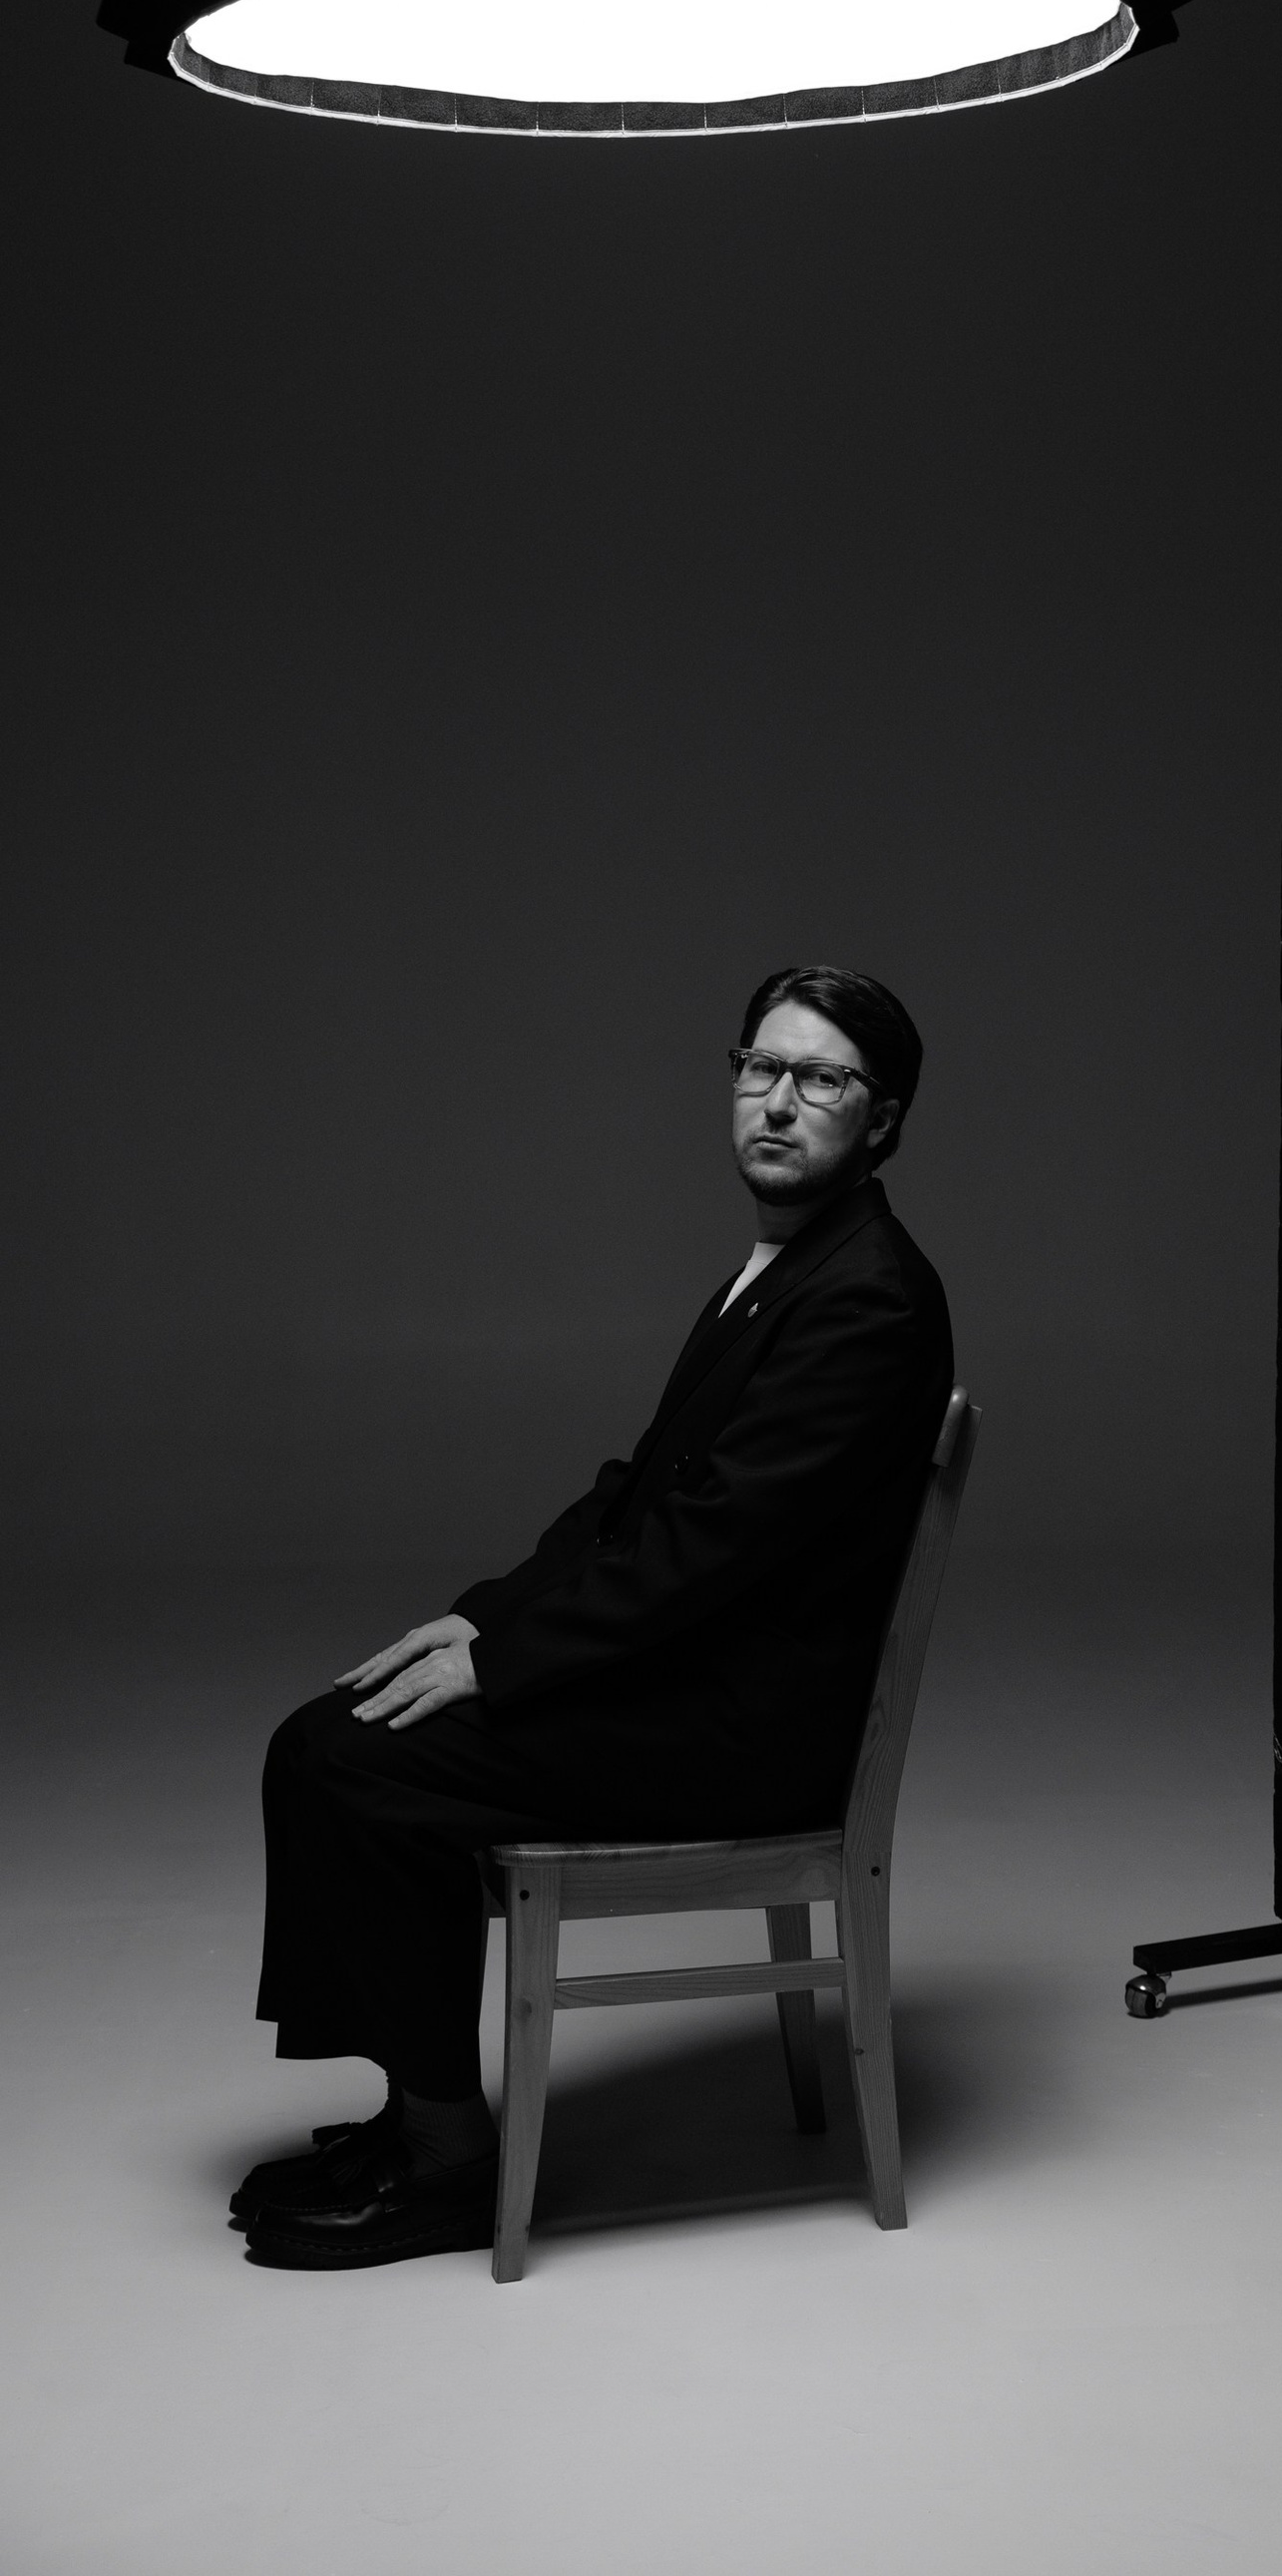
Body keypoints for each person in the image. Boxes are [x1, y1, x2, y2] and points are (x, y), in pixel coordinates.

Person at [235, 965, 953, 2270]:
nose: (776, 1103)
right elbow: (634, 1500)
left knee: (350, 1763)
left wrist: (508, 1666)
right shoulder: (786, 1266)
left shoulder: (871, 1297)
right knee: (331, 1740)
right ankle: (416, 2117)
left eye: (820, 1079)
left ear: (883, 1118)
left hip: (749, 1732)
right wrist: (483, 1624)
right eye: (760, 1067)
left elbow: (702, 1554)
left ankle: (448, 2159)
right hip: (693, 1678)